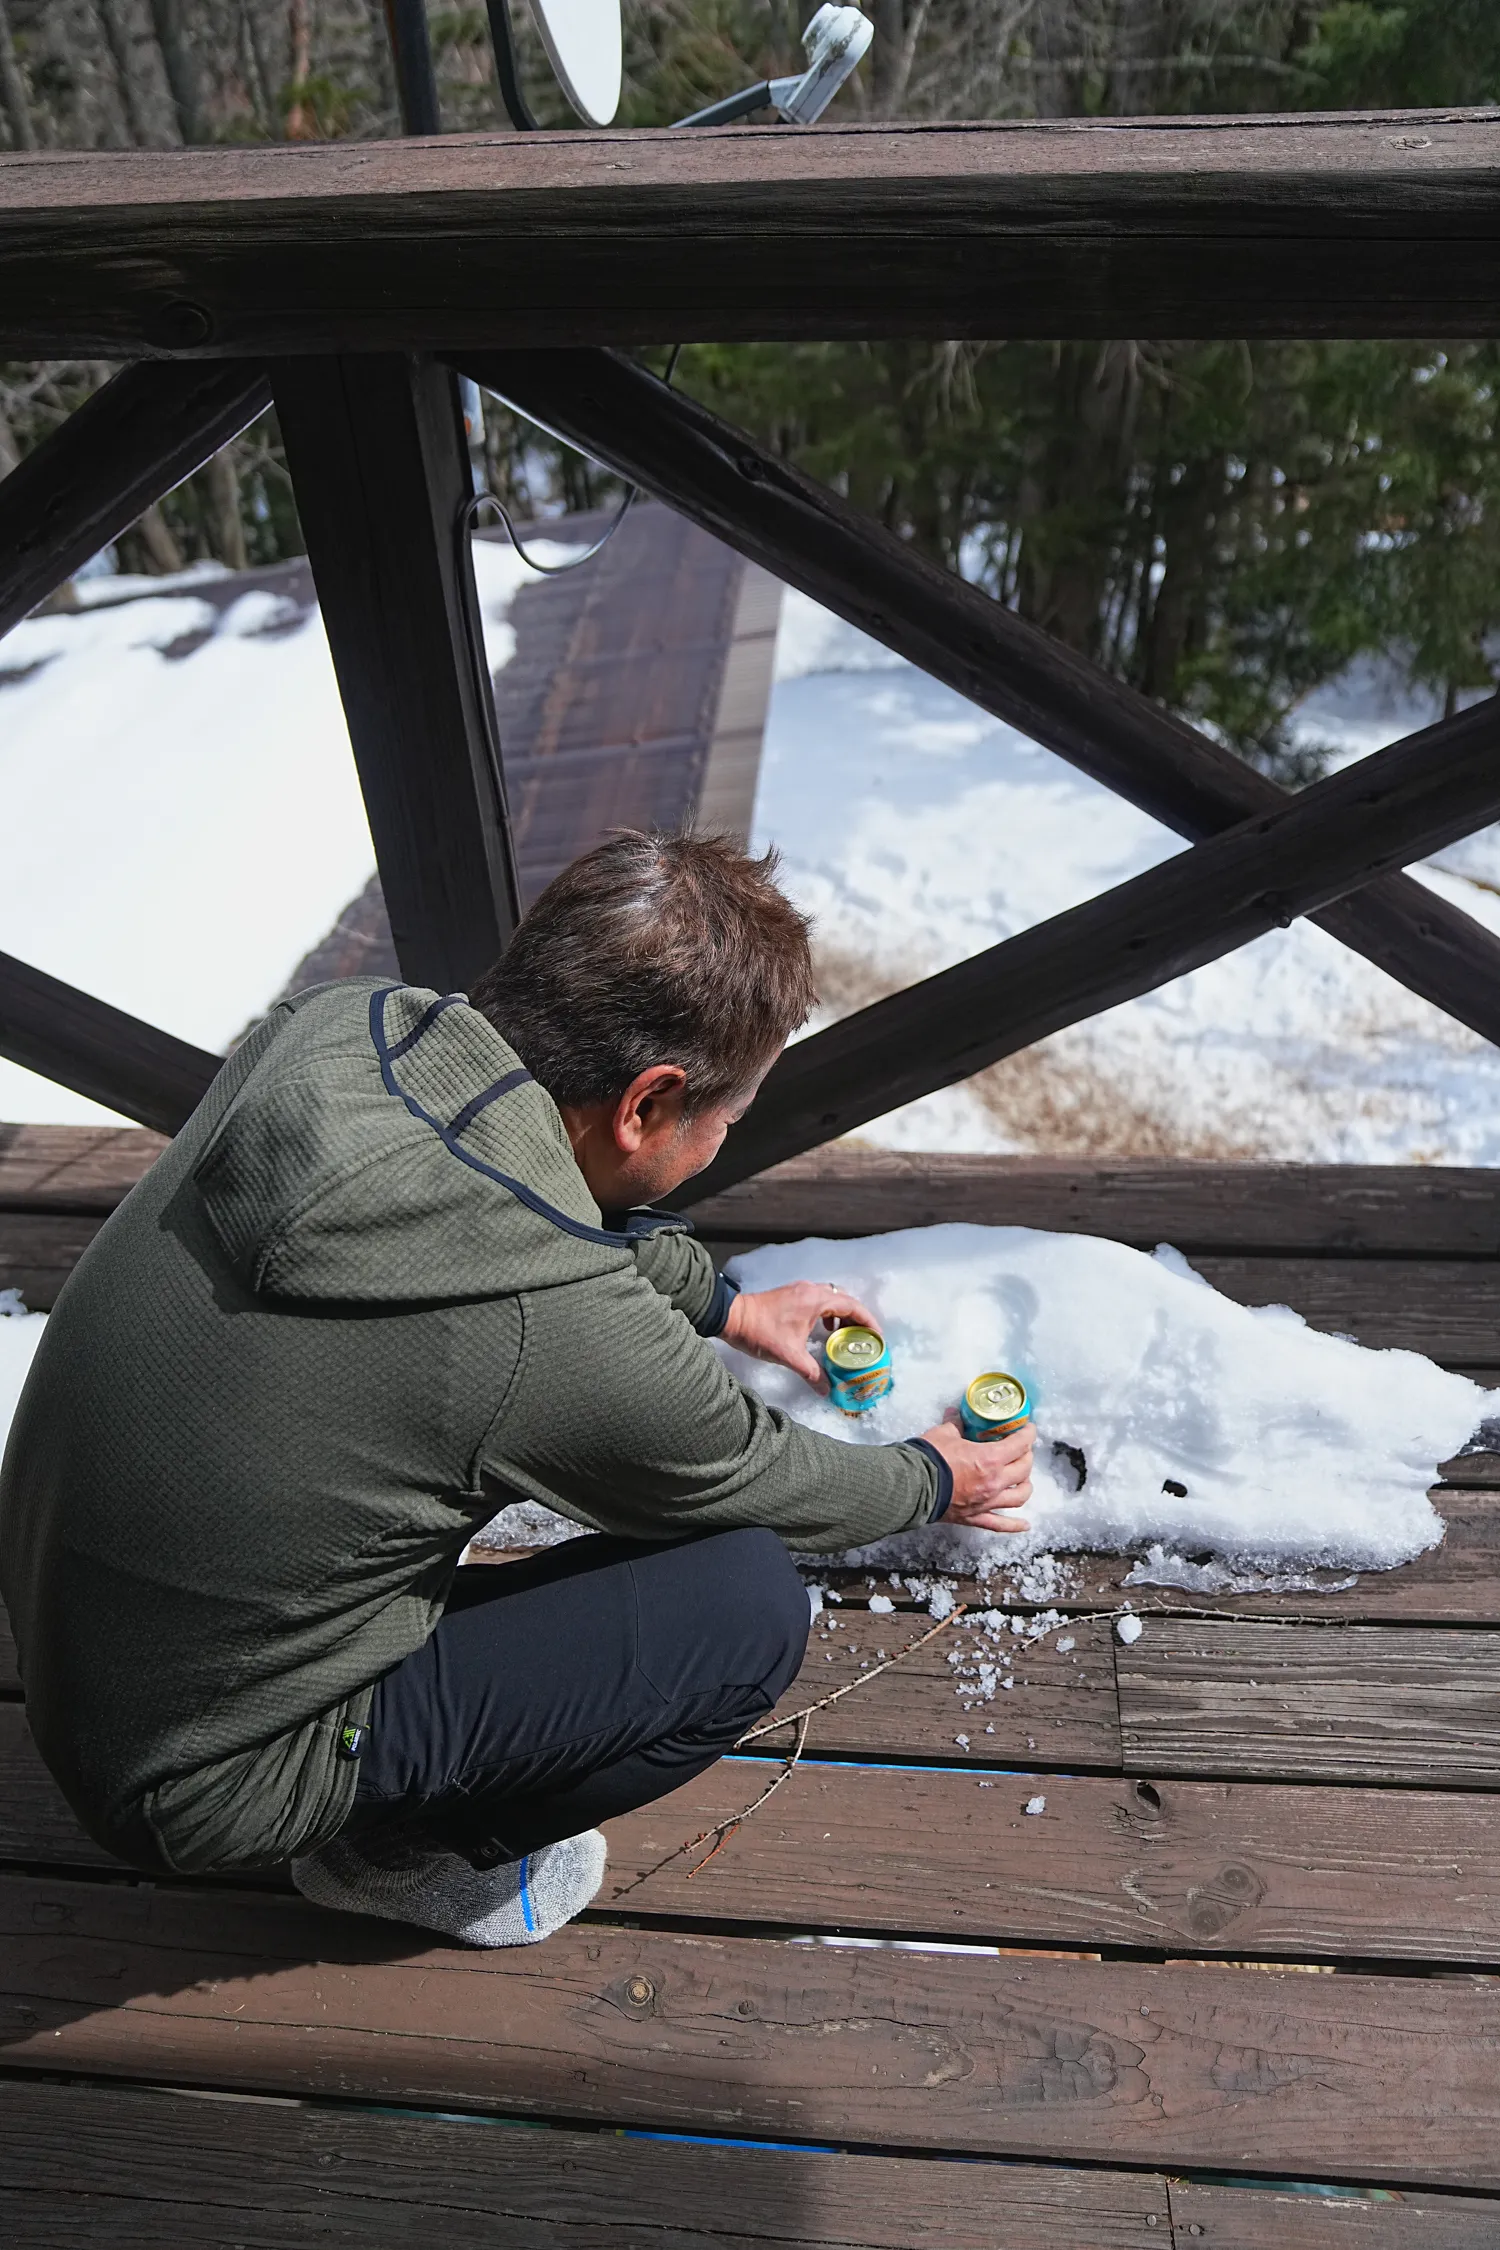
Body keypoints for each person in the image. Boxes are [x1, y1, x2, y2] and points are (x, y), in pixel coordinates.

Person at [0, 832, 1033, 1947]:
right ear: (648, 1104)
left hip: (66, 1619)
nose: (727, 1141)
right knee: (740, 1613)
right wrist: (936, 1475)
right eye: (728, 1120)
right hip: (199, 1776)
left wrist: (724, 1305)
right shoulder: (551, 1335)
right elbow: (746, 1471)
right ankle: (393, 1854)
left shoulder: (339, 1027)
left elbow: (496, 1205)